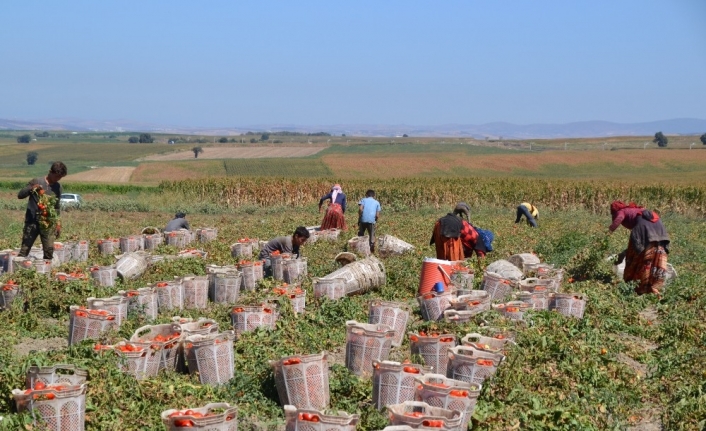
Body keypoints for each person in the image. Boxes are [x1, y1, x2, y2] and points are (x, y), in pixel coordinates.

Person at [610, 201, 670, 295]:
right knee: (656, 254)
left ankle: (635, 287)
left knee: (634, 257)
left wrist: (607, 233)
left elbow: (619, 218)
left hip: (643, 230)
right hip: (660, 229)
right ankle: (654, 287)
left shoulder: (621, 211)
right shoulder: (637, 210)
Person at [17, 161, 67, 260]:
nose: (57, 179)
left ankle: (45, 271)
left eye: (60, 177)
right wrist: (31, 188)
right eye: (56, 176)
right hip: (32, 222)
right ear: (50, 172)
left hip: (48, 222)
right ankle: (18, 269)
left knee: (49, 250)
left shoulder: (58, 187)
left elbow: (56, 207)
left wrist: (58, 223)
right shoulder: (36, 181)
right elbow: (20, 195)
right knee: (24, 249)